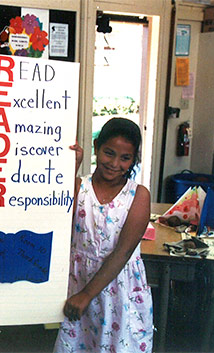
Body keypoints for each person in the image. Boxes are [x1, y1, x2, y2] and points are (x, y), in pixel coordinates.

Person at [54, 118, 153, 353]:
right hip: (78, 283)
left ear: (134, 159)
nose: (115, 163)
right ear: (97, 147)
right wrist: (71, 168)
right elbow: (56, 219)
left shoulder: (138, 195)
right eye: (109, 153)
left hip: (119, 289)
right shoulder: (79, 187)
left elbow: (124, 252)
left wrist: (87, 294)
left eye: (125, 158)